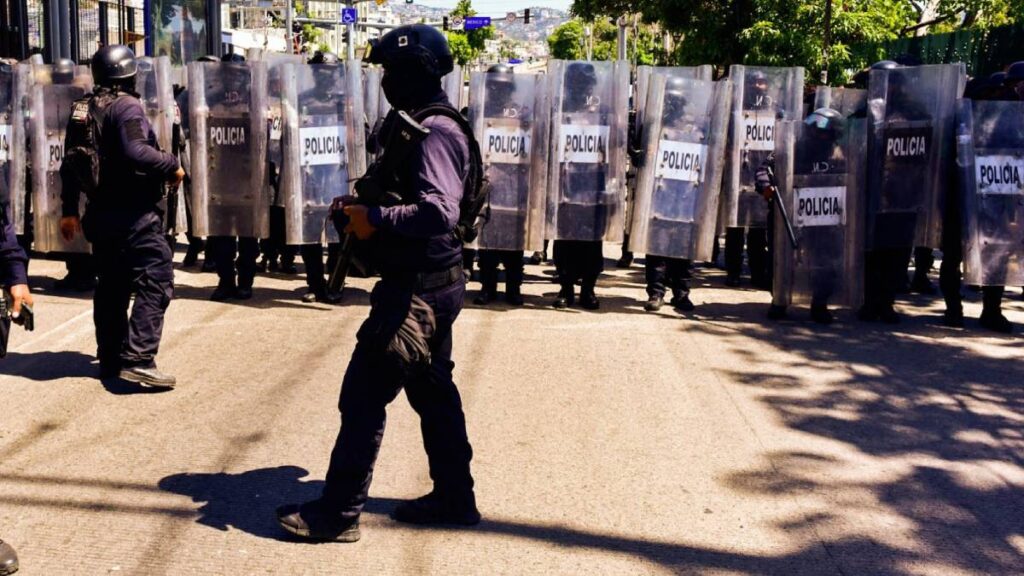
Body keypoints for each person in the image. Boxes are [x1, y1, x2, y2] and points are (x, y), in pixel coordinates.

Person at [277, 24, 479, 542]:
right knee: (434, 393)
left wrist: (375, 220)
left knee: (363, 397)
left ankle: (337, 514)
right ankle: (455, 497)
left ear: (418, 71)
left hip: (416, 291)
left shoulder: (436, 131)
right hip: (435, 281)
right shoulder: (419, 123)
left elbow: (438, 211)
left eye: (392, 69)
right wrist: (361, 206)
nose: (386, 78)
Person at [60, 45, 183, 387]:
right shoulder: (126, 105)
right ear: (129, 75)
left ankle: (111, 357)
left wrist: (69, 211)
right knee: (156, 276)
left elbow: (69, 164)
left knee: (112, 285)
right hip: (134, 215)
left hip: (99, 213)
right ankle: (139, 358)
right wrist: (173, 165)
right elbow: (136, 151)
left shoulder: (82, 108)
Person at [205, 52, 261, 301]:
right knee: (221, 237)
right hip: (220, 177)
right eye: (228, 74)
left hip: (248, 177)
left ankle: (245, 282)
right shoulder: (211, 99)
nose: (233, 79)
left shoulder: (255, 99)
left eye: (237, 74)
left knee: (249, 236)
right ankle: (225, 281)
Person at [473, 63, 530, 307]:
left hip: (513, 187)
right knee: (487, 246)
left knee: (514, 246)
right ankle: (487, 287)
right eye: (494, 87)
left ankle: (514, 289)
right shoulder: (477, 112)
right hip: (488, 187)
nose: (498, 92)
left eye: (502, 88)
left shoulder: (521, 114)